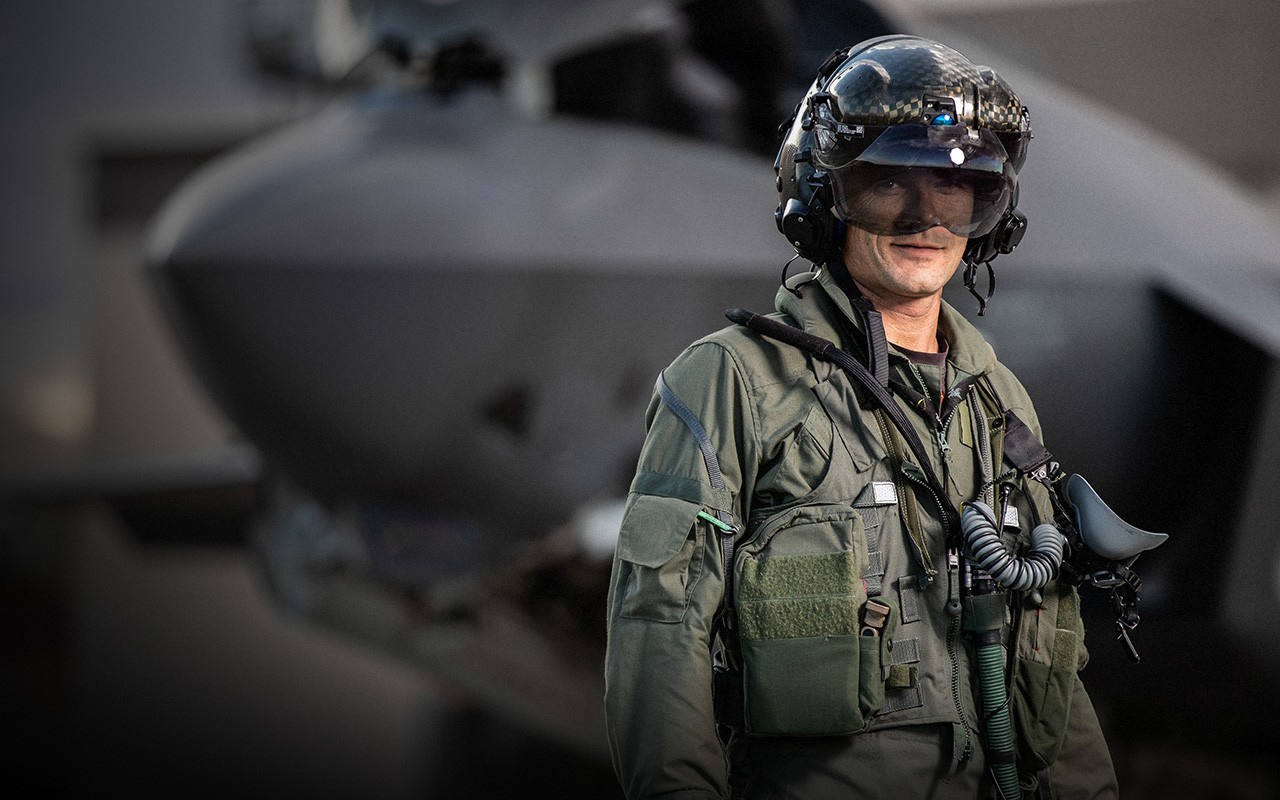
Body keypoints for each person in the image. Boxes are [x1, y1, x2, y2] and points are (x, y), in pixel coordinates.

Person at [604, 35, 1121, 799]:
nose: (926, 219)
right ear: (824, 199)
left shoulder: (999, 401)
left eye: (957, 189)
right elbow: (660, 630)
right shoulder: (735, 379)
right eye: (887, 186)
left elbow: (1048, 654)